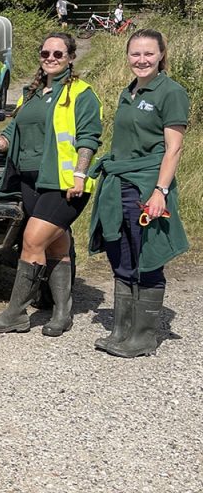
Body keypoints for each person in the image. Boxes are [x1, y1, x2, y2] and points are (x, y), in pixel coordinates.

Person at [0, 32, 102, 336]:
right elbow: (11, 133)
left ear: (70, 58)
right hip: (30, 181)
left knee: (32, 240)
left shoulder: (81, 93)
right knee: (56, 245)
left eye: (58, 54)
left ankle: (16, 314)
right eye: (45, 53)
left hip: (63, 183)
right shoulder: (32, 93)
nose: (50, 58)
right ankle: (62, 313)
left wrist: (80, 174)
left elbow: (89, 139)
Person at [88, 29, 189, 358]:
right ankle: (122, 330)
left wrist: (160, 191)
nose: (142, 60)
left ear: (161, 55)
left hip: (147, 184)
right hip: (119, 183)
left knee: (147, 257)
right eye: (135, 53)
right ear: (128, 56)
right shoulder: (128, 91)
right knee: (121, 254)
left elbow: (173, 149)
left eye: (148, 53)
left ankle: (143, 337)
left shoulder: (171, 92)